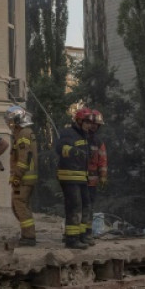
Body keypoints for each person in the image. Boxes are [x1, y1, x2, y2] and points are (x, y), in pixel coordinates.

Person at [55, 107, 93, 249]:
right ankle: (71, 239)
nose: (89, 125)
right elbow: (59, 148)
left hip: (81, 177)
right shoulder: (68, 133)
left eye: (90, 122)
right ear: (78, 120)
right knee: (74, 207)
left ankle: (82, 236)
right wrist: (73, 151)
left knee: (85, 206)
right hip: (69, 177)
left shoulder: (84, 135)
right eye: (87, 122)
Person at [5, 105, 37, 247]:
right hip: (26, 177)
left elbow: (24, 157)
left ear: (17, 120)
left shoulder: (23, 133)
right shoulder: (24, 132)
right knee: (20, 205)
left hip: (23, 178)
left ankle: (29, 237)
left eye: (10, 121)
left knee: (19, 205)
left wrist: (17, 175)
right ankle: (27, 234)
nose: (9, 124)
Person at [87, 109, 108, 208]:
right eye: (92, 123)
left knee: (89, 206)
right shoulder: (78, 138)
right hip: (78, 180)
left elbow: (102, 161)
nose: (94, 126)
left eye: (97, 124)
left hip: (92, 183)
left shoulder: (98, 142)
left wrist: (103, 176)